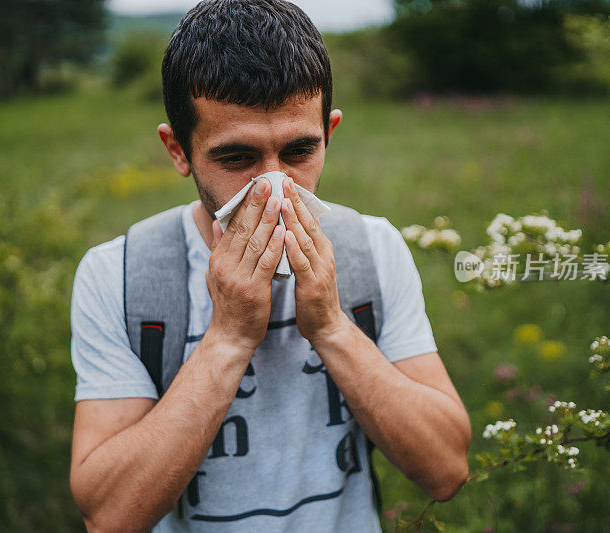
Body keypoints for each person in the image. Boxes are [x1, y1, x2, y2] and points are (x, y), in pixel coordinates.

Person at [68, 0, 471, 531]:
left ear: (330, 133)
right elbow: (109, 516)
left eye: (300, 151)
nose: (275, 189)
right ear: (178, 150)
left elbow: (446, 469)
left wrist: (329, 325)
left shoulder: (372, 248)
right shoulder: (117, 275)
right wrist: (230, 336)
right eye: (237, 158)